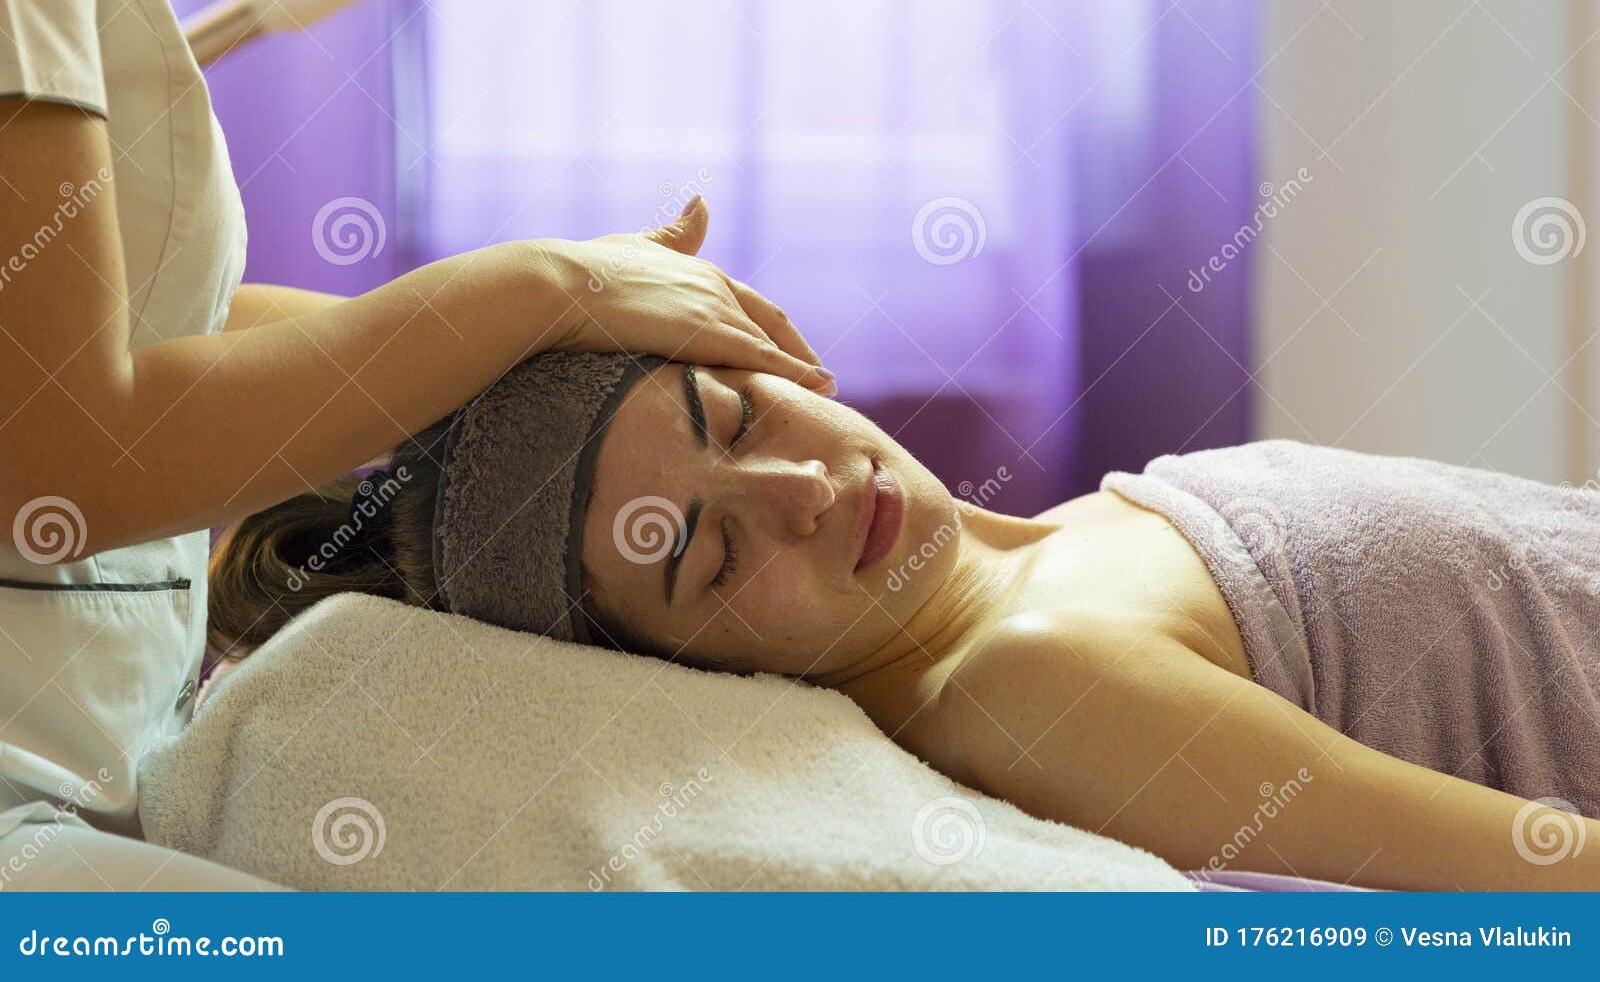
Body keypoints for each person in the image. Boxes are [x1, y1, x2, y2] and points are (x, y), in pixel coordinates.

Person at [0, 0, 830, 890]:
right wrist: (538, 290)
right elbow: (60, 462)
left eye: (741, 411)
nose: (807, 489)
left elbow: (149, 328)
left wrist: (516, 336)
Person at [212, 351, 1600, 893]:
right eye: (707, 554)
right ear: (696, 675)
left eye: (738, 416)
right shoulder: (1026, 681)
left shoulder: (1044, 552)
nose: (804, 489)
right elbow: (1545, 880)